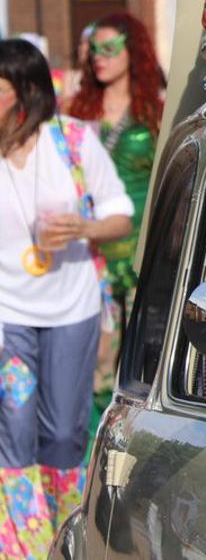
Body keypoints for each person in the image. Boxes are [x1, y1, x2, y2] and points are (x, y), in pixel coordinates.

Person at [0, 38, 131, 559]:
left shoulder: (73, 142)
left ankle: (64, 532)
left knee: (62, 432)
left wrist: (86, 225)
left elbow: (121, 215)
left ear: (27, 92)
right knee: (13, 424)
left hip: (71, 311)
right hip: (7, 315)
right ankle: (21, 547)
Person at [65, 13, 165, 442]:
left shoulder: (155, 109)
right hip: (92, 256)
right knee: (96, 367)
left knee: (144, 367)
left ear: (133, 52)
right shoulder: (75, 111)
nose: (100, 59)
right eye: (95, 50)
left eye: (111, 49)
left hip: (144, 253)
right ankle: (84, 462)